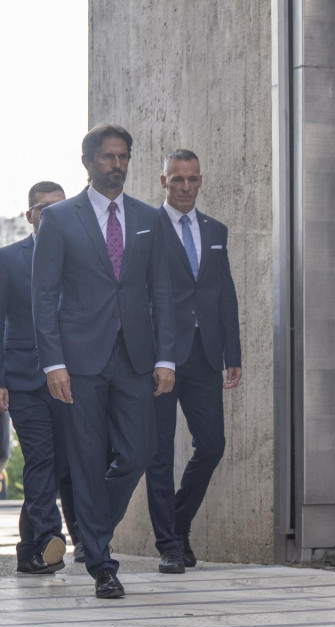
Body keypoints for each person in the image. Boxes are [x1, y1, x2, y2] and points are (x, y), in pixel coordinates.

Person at [32, 124, 175, 598]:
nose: (118, 165)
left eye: (124, 156)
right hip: (79, 360)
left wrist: (166, 357)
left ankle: (91, 527)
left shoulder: (147, 218)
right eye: (109, 157)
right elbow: (44, 295)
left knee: (139, 452)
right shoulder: (59, 219)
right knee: (87, 460)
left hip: (134, 355)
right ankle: (101, 563)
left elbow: (161, 292)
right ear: (88, 162)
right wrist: (53, 363)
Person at [145, 149, 241, 574]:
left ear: (201, 181)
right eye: (177, 179)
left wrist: (232, 354)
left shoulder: (215, 229)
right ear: (163, 181)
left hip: (204, 356)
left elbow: (224, 294)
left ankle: (177, 523)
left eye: (192, 179)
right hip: (160, 359)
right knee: (159, 453)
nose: (185, 187)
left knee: (213, 445)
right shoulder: (145, 227)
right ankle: (168, 545)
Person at [3, 182, 79, 574]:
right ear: (30, 214)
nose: (51, 216)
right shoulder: (7, 259)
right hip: (22, 378)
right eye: (43, 209)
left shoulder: (77, 257)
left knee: (57, 462)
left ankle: (29, 551)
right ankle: (53, 536)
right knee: (40, 457)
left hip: (69, 378)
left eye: (59, 209)